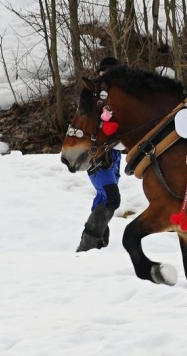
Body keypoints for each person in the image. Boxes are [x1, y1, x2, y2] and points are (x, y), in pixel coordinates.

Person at [76, 57, 122, 252]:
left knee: (103, 198)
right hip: (97, 157)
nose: (104, 78)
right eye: (102, 74)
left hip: (115, 157)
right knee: (111, 197)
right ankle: (87, 245)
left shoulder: (122, 98)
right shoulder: (93, 97)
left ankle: (96, 241)